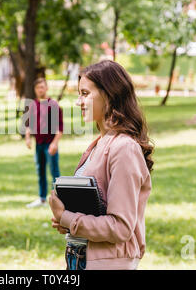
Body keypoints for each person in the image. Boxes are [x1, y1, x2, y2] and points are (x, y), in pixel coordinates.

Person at [49, 60, 154, 270]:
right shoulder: (98, 144)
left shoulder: (124, 148)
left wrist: (66, 217)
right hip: (81, 257)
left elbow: (121, 228)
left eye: (85, 93)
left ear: (109, 95)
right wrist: (67, 223)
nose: (79, 102)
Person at [24, 77, 63, 208]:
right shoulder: (33, 105)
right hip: (39, 144)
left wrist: (55, 143)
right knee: (40, 171)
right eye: (38, 87)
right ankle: (42, 198)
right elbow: (29, 124)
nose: (40, 90)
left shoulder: (53, 105)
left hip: (50, 144)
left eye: (42, 87)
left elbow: (60, 128)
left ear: (46, 88)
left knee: (54, 172)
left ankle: (59, 200)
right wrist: (28, 137)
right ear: (35, 90)